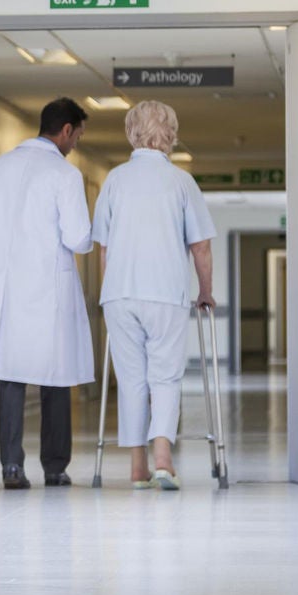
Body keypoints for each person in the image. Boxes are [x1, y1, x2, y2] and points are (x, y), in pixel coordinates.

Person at [92, 100, 216, 491]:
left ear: (132, 133)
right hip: (165, 292)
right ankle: (163, 459)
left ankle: (137, 467)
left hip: (120, 294)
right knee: (165, 376)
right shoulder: (181, 182)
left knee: (131, 379)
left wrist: (111, 290)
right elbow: (201, 246)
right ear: (172, 134)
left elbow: (104, 248)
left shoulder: (114, 180)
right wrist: (205, 291)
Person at [0, 97, 93, 489]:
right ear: (66, 130)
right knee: (55, 376)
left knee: (9, 375)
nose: (75, 144)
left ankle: (11, 466)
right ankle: (54, 467)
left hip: (9, 284)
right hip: (49, 286)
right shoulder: (65, 175)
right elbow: (78, 238)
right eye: (77, 137)